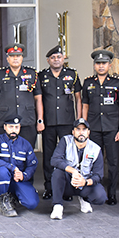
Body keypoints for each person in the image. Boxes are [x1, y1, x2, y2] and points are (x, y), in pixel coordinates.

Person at [81, 50, 119, 205]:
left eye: (104, 63)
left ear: (109, 65)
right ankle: (94, 192)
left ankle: (112, 194)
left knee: (112, 162)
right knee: (92, 162)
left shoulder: (117, 83)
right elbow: (85, 106)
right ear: (94, 65)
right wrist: (84, 128)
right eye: (98, 63)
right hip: (93, 128)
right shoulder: (88, 82)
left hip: (112, 129)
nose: (101, 66)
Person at [38, 45, 82, 200]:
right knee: (48, 156)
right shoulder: (41, 76)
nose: (56, 60)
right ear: (48, 60)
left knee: (68, 156)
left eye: (59, 57)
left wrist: (79, 121)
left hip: (67, 121)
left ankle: (67, 189)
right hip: (49, 122)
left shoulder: (72, 75)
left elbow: (78, 98)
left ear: (63, 58)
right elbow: (39, 99)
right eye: (53, 57)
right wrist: (40, 120)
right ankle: (49, 188)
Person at [49, 118, 107, 220]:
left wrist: (85, 182)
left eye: (84, 129)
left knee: (100, 196)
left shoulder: (96, 149)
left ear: (88, 132)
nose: (81, 132)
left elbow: (98, 175)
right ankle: (58, 206)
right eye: (78, 129)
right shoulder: (65, 141)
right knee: (57, 173)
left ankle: (85, 199)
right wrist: (73, 171)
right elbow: (55, 160)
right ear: (73, 132)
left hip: (84, 184)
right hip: (68, 182)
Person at [0, 44, 44, 147]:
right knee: (5, 152)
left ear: (22, 58)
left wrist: (40, 120)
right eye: (12, 56)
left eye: (18, 56)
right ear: (7, 59)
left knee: (27, 151)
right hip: (5, 122)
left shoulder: (32, 74)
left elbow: (38, 99)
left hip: (27, 121)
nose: (15, 58)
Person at [0, 114, 40, 217]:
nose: (13, 130)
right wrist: (12, 168)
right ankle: (3, 200)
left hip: (17, 179)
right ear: (5, 127)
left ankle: (13, 196)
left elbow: (32, 164)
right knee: (1, 171)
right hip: (1, 177)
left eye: (16, 127)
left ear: (20, 127)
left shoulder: (25, 144)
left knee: (32, 203)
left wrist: (24, 175)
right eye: (11, 127)